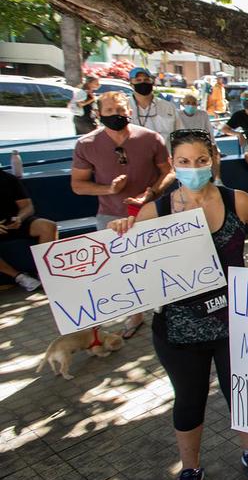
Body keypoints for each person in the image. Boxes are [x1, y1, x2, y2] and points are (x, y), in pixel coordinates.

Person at [107, 128, 248, 480]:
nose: (193, 168)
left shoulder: (237, 201)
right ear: (173, 165)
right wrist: (123, 230)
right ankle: (189, 469)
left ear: (214, 160)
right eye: (184, 162)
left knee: (241, 393)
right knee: (189, 400)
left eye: (201, 161)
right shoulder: (153, 212)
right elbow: (126, 262)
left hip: (234, 322)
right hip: (178, 329)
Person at [71, 91, 174, 338]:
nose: (115, 115)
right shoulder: (86, 144)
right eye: (109, 111)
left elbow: (168, 172)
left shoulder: (151, 138)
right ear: (99, 114)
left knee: (160, 263)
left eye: (119, 110)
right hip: (111, 216)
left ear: (129, 110)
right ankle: (136, 313)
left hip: (151, 212)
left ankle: (167, 310)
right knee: (124, 269)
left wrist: (150, 194)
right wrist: (108, 189)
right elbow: (78, 184)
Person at [0, 168, 57, 291]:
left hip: (14, 223)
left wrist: (19, 218)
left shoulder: (8, 179)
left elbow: (27, 206)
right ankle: (20, 277)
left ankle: (44, 273)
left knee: (48, 226)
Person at [127, 66, 179, 140]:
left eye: (146, 80)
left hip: (163, 151)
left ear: (152, 82)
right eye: (138, 80)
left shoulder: (168, 107)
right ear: (131, 84)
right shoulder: (124, 107)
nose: (143, 82)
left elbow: (180, 135)